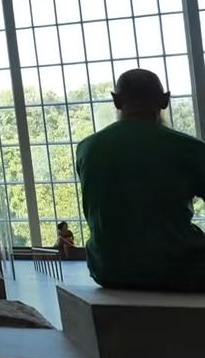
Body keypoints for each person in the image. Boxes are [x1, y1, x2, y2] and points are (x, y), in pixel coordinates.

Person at [77, 68, 205, 291]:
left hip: (108, 269)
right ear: (164, 100)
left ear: (116, 101)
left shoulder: (87, 148)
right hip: (179, 268)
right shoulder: (188, 148)